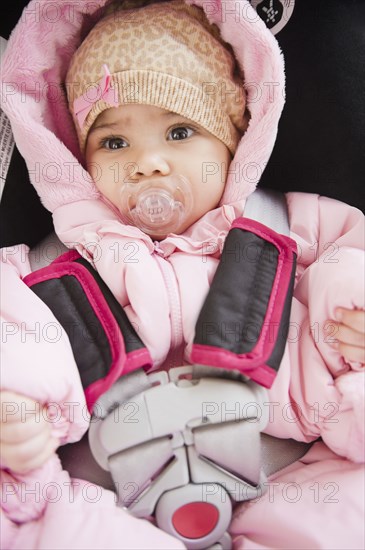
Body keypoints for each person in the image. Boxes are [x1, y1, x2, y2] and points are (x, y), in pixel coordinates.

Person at [0, 0, 364, 548]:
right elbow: (14, 327)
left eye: (179, 132)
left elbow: (351, 254)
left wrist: (351, 306)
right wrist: (19, 403)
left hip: (297, 462)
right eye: (115, 142)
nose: (149, 163)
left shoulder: (294, 228)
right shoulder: (52, 268)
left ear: (234, 140)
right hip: (109, 495)